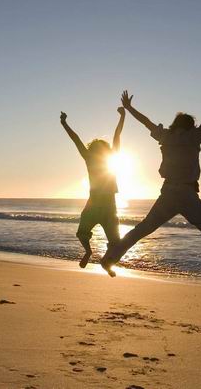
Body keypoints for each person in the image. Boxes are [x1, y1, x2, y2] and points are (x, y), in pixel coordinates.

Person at [101, 86, 201, 280]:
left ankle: (110, 258)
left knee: (142, 229)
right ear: (191, 125)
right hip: (186, 193)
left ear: (175, 124)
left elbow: (146, 123)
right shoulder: (194, 136)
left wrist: (130, 108)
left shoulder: (165, 136)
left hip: (167, 193)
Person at [60, 101, 125, 273]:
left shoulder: (92, 157)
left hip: (96, 203)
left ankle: (98, 256)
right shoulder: (105, 158)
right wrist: (122, 116)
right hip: (106, 205)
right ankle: (102, 259)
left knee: (87, 233)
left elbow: (77, 140)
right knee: (114, 241)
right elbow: (116, 137)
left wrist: (64, 123)